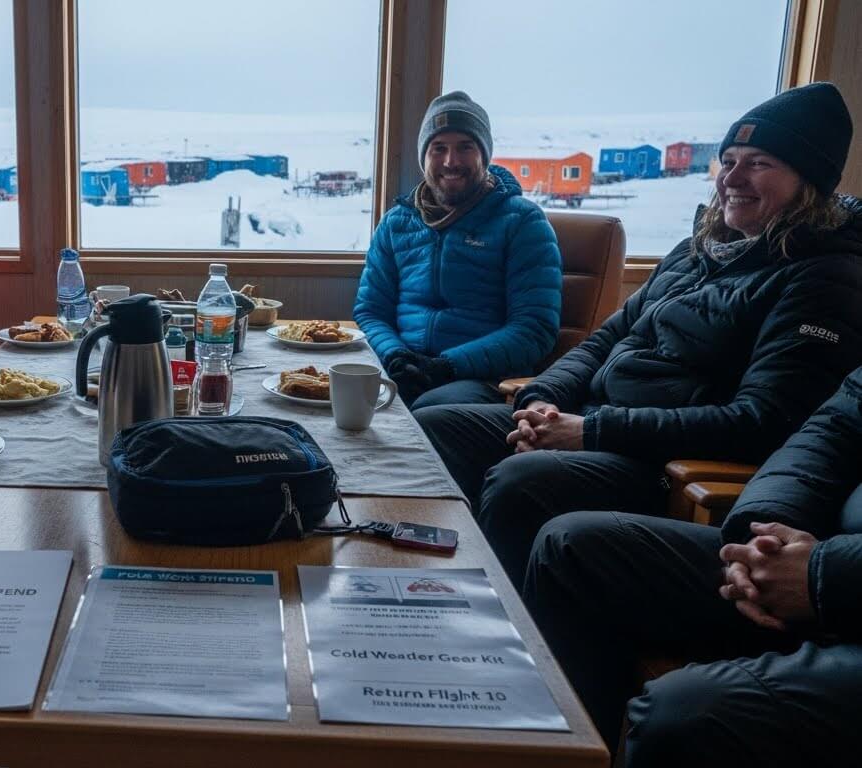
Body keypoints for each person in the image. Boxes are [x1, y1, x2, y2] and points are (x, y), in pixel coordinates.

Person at [416, 82, 862, 584]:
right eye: (729, 160)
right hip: (591, 420)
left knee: (520, 480)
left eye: (759, 164)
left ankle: (503, 626)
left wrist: (590, 432)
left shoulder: (824, 278)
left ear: (809, 181)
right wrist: (542, 400)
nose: (732, 178)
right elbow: (605, 340)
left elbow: (762, 421)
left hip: (659, 459)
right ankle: (424, 583)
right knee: (435, 429)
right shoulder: (698, 250)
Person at [524, 364, 862, 764]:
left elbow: (759, 417)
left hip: (836, 573)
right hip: (811, 550)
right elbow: (826, 435)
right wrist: (766, 535)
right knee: (570, 547)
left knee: (687, 713)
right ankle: (546, 750)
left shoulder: (817, 303)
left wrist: (822, 573)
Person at [353, 91, 562, 409]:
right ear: (424, 156)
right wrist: (394, 355)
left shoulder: (522, 222)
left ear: (485, 155)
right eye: (439, 148)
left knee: (425, 412)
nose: (451, 161)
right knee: (334, 401)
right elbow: (371, 311)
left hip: (482, 380)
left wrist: (447, 366)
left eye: (465, 147)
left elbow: (534, 330)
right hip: (402, 370)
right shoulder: (397, 223)